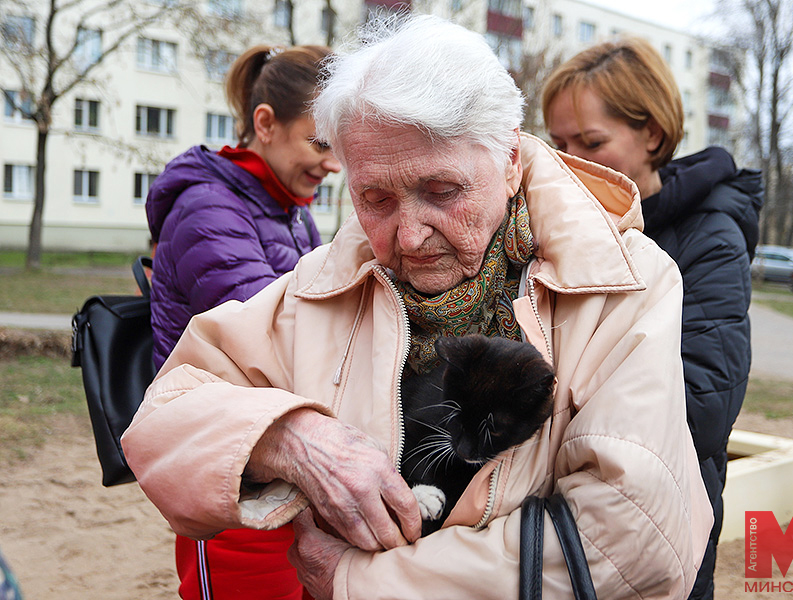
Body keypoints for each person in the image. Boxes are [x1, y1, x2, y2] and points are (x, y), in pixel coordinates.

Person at [123, 15, 712, 599]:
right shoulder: (324, 283)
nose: (408, 237)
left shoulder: (624, 284)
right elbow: (162, 422)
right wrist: (284, 436)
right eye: (374, 199)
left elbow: (633, 545)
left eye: (441, 193)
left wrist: (361, 582)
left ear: (508, 163)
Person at [542, 37, 762, 600]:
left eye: (591, 142)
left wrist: (550, 418)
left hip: (658, 526)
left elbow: (703, 406)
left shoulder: (710, 240)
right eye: (558, 142)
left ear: (653, 135)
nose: (569, 160)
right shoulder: (562, 228)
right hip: (561, 521)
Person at [144, 43, 340, 600]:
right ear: (265, 123)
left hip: (282, 461)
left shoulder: (288, 212)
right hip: (231, 468)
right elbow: (275, 339)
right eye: (321, 142)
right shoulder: (209, 207)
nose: (332, 164)